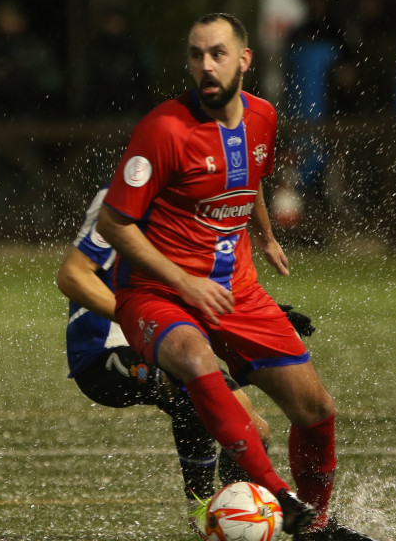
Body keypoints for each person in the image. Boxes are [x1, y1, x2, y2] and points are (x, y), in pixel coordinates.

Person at [95, 13, 374, 540]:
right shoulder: (162, 130)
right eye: (196, 54)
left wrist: (265, 236)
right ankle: (283, 499)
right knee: (195, 359)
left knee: (316, 411)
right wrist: (184, 280)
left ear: (244, 60)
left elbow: (252, 178)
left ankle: (311, 527)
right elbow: (113, 223)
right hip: (157, 294)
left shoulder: (262, 117)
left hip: (236, 290)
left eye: (217, 53)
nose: (206, 64)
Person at [57, 186, 317, 533]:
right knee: (192, 393)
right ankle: (202, 512)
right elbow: (73, 276)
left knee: (256, 431)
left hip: (163, 340)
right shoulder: (124, 196)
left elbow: (189, 287)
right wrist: (142, 321)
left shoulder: (199, 201)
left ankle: (229, 521)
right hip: (105, 351)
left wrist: (262, 314)